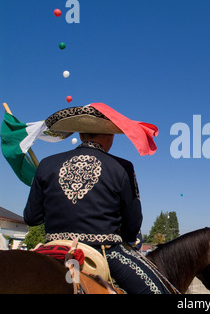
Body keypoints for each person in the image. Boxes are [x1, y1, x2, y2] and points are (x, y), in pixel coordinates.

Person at [23, 104, 172, 294]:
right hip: (104, 251)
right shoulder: (122, 166)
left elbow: (31, 217)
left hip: (52, 248)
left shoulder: (46, 164)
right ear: (109, 136)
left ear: (81, 134)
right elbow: (133, 225)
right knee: (157, 291)